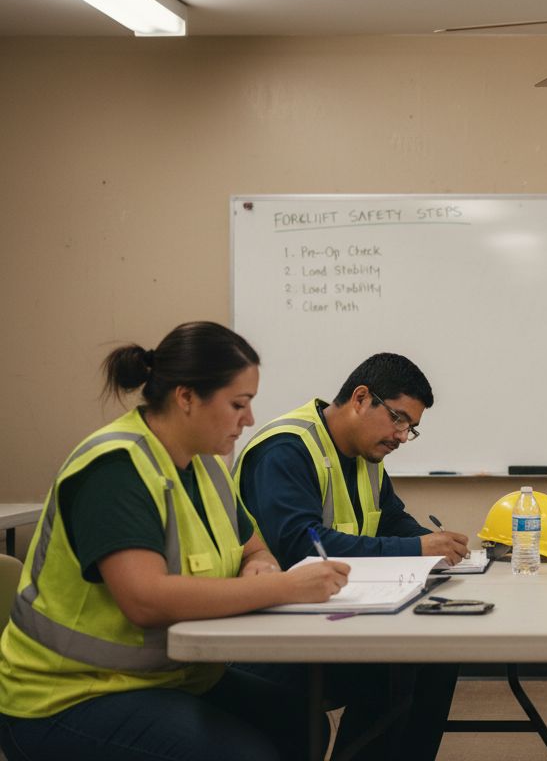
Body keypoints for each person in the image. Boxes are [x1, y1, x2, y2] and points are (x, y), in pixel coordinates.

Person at [0, 321, 349, 761]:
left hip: (168, 677)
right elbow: (145, 600)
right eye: (238, 404)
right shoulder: (115, 469)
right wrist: (284, 587)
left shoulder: (205, 466)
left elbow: (254, 547)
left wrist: (259, 566)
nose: (249, 419)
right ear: (186, 397)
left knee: (300, 724)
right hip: (69, 695)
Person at [235, 352, 469, 761]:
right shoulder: (286, 450)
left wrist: (435, 543)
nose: (401, 436)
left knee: (438, 655)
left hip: (332, 616)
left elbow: (391, 519)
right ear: (361, 398)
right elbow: (303, 548)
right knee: (400, 666)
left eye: (410, 428)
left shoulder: (367, 455)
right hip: (271, 635)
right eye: (398, 419)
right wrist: (416, 549)